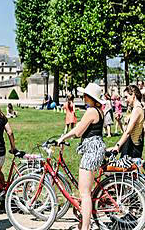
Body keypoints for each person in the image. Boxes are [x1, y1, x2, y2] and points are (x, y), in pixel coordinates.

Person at [57, 83, 106, 230]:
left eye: (85, 95)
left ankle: (85, 227)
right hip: (96, 148)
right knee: (87, 190)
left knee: (84, 193)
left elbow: (78, 131)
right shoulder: (99, 110)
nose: (82, 97)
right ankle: (83, 221)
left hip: (91, 150)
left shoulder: (91, 111)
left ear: (90, 97)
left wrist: (63, 138)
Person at [108, 85, 144, 159]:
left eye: (126, 97)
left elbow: (128, 132)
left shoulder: (137, 109)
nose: (125, 100)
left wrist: (117, 146)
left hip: (132, 148)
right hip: (132, 145)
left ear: (133, 95)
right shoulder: (137, 108)